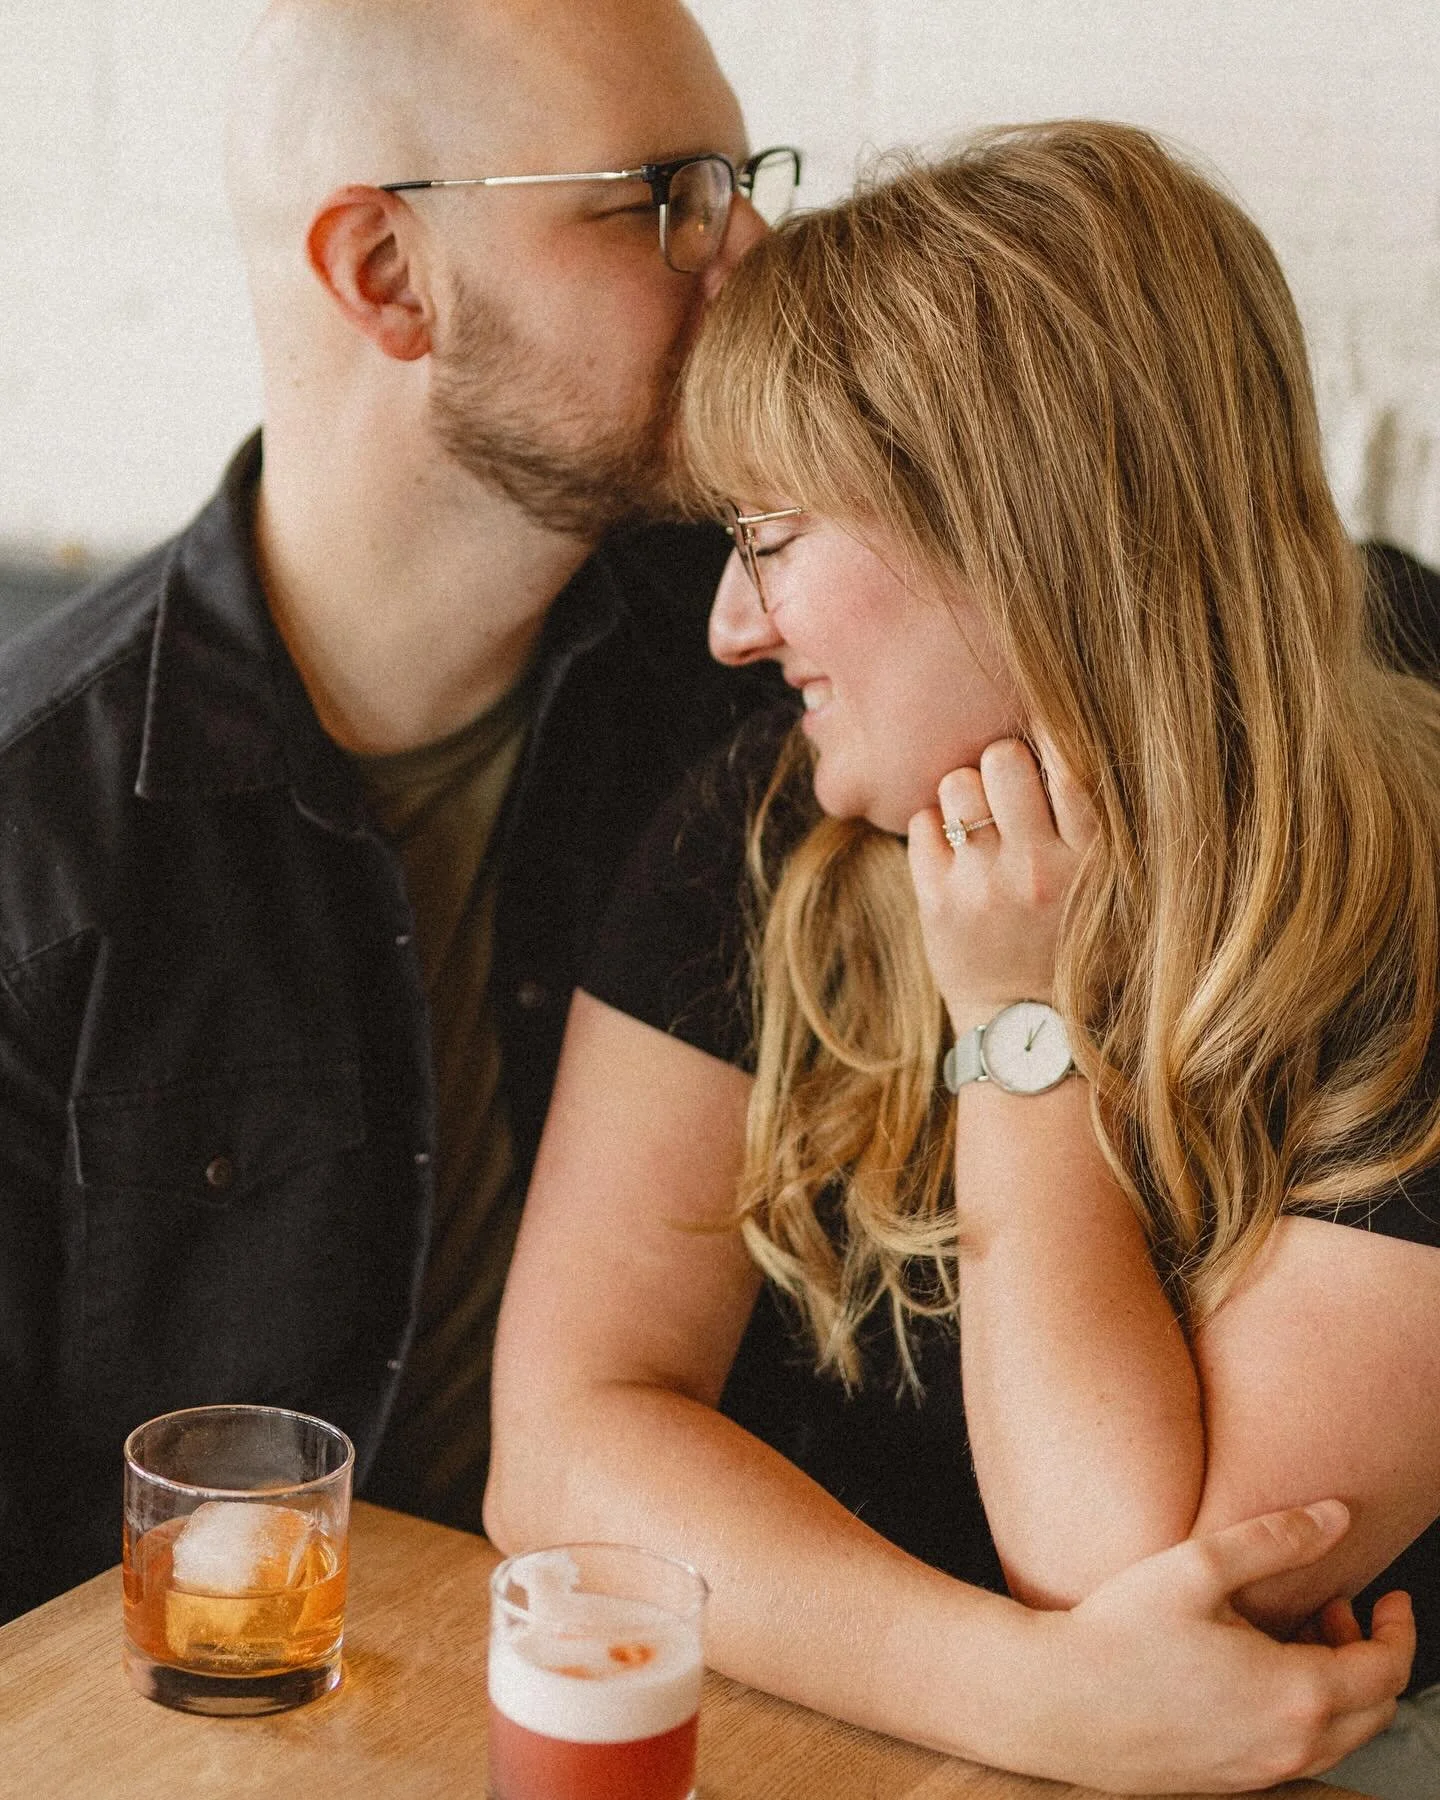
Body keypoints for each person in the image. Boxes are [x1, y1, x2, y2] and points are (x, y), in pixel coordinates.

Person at [485, 122, 1440, 1793]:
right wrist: (1019, 1696)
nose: (729, 624)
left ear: (1020, 539)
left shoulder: (1412, 891)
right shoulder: (773, 828)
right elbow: (560, 1452)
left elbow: (1136, 1571)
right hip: (860, 1736)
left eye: (770, 538)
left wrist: (1020, 1033)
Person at [0, 0, 796, 1622]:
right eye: (668, 196)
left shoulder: (777, 667)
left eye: (744, 176)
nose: (752, 246)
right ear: (387, 276)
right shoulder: (38, 844)